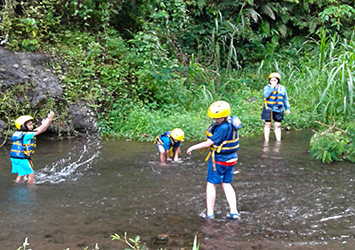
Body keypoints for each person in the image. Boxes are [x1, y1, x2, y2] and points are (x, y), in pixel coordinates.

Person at [187, 101, 241, 220]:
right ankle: (234, 212)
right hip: (231, 158)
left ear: (224, 115)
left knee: (211, 184)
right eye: (214, 117)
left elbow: (209, 142)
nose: (215, 119)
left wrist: (192, 147)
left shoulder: (222, 128)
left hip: (219, 160)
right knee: (226, 183)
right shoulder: (232, 121)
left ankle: (210, 213)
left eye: (218, 117)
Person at [10, 111, 54, 184]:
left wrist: (45, 122)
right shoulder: (27, 135)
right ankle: (30, 189)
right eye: (30, 125)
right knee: (31, 174)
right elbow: (41, 129)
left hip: (15, 157)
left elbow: (42, 129)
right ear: (23, 126)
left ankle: (16, 185)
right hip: (21, 158)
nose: (32, 126)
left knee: (22, 174)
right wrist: (49, 119)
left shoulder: (21, 134)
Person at [261, 72, 291, 142]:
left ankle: (278, 141)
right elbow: (266, 95)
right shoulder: (267, 87)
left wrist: (287, 108)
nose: (273, 81)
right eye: (272, 80)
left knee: (277, 125)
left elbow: (285, 99)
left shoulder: (282, 88)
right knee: (267, 124)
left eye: (275, 80)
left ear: (278, 80)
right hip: (268, 108)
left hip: (279, 109)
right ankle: (266, 140)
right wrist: (272, 87)